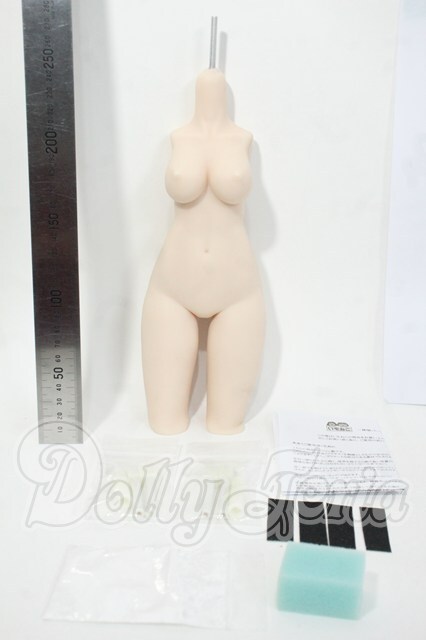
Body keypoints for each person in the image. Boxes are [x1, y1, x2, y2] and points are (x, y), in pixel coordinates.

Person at [141, 67, 265, 435]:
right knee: (164, 425)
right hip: (171, 289)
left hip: (237, 291)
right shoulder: (178, 138)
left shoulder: (243, 139)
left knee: (226, 427)